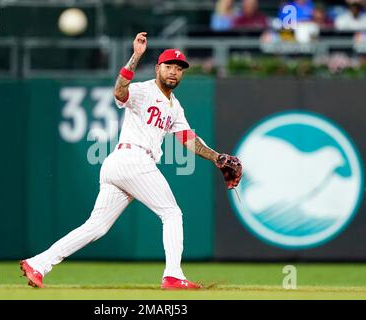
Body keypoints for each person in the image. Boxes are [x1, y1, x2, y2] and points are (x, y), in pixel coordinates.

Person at [19, 32, 242, 290]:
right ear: (158, 68)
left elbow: (188, 139)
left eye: (179, 68)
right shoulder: (144, 90)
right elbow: (119, 91)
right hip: (133, 158)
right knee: (171, 213)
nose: (173, 72)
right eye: (169, 66)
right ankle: (173, 275)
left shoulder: (175, 107)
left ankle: (38, 263)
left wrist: (217, 157)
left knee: (96, 227)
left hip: (120, 164)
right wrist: (135, 56)